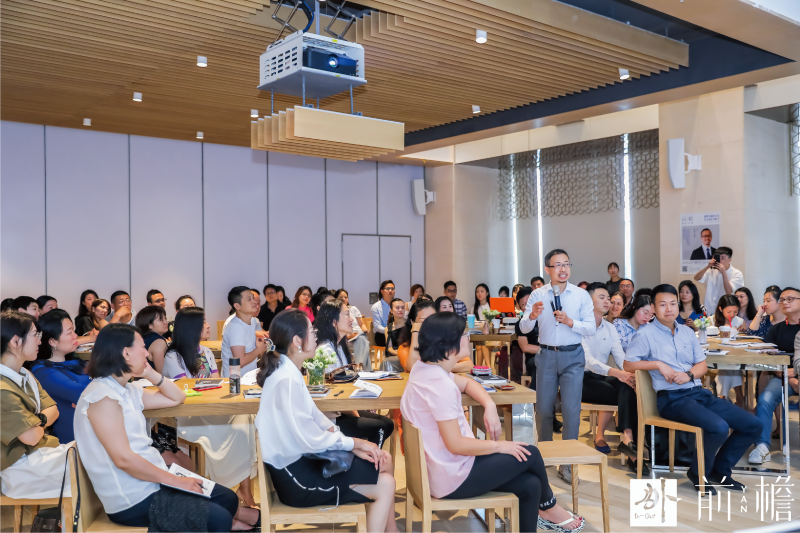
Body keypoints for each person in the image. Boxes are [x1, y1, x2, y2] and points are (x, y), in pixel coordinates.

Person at [401, 312, 585, 533]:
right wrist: (499, 446)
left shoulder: (425, 370)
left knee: (531, 485)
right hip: (452, 477)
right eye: (464, 334)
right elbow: (456, 444)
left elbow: (468, 384)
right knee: (531, 454)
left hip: (440, 470)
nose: (468, 338)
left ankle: (546, 509)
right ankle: (550, 507)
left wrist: (489, 405)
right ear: (449, 346)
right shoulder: (440, 386)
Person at [73, 323, 258, 530]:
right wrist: (175, 480)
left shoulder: (126, 390)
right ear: (126, 353)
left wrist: (151, 373)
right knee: (219, 518)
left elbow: (177, 397)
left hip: (152, 480)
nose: (147, 353)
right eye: (142, 347)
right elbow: (123, 459)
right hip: (132, 497)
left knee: (227, 499)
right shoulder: (102, 398)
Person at [255, 310, 398, 533]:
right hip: (298, 480)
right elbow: (311, 439)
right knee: (386, 483)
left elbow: (317, 418)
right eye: (312, 331)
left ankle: (391, 530)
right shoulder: (286, 379)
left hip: (304, 462)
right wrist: (356, 443)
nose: (316, 335)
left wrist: (353, 446)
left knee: (383, 459)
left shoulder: (288, 371)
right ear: (297, 341)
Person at [624, 284, 760, 495]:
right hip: (672, 399)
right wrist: (658, 364)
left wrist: (688, 375)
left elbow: (702, 365)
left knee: (753, 425)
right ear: (653, 308)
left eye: (672, 303)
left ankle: (720, 471)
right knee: (719, 427)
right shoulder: (645, 334)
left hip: (698, 393)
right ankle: (698, 473)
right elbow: (628, 364)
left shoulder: (687, 332)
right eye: (662, 304)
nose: (669, 308)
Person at [161, 307, 258, 507]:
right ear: (191, 328)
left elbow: (216, 382)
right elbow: (185, 388)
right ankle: (233, 488)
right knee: (242, 427)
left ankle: (244, 489)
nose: (208, 325)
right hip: (190, 413)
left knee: (247, 419)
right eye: (203, 322)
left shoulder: (206, 351)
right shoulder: (173, 356)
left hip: (210, 408)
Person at [518, 249, 595, 484]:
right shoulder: (537, 294)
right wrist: (531, 316)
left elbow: (591, 327)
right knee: (543, 410)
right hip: (547, 355)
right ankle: (543, 457)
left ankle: (568, 463)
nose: (563, 269)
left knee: (571, 410)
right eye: (557, 265)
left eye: (566, 264)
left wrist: (571, 322)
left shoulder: (581, 295)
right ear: (547, 269)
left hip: (573, 356)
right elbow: (523, 328)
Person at [0, 310, 72, 499]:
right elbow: (30, 437)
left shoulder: (25, 374)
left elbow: (54, 410)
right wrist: (41, 421)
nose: (40, 340)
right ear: (15, 341)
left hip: (43, 453)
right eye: (35, 334)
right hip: (21, 468)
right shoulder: (2, 388)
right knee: (94, 465)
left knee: (98, 454)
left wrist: (36, 421)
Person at [579, 283, 643, 473]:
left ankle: (628, 439)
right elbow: (588, 361)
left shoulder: (610, 327)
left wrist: (630, 374)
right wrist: (619, 373)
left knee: (629, 385)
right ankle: (630, 444)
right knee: (626, 392)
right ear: (588, 301)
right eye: (602, 297)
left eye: (608, 298)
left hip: (603, 376)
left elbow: (621, 358)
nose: (607, 301)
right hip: (582, 379)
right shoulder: (578, 326)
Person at [315, 300, 395, 446]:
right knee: (380, 427)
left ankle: (368, 456)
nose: (352, 319)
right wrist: (357, 413)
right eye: (347, 314)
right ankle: (369, 458)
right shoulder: (325, 351)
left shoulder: (339, 346)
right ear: (334, 322)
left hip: (343, 409)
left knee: (388, 424)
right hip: (332, 416)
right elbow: (336, 395)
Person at [30, 309, 91, 444]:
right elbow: (85, 394)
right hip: (74, 440)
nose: (75, 336)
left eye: (73, 330)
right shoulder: (43, 372)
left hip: (92, 427)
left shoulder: (75, 362)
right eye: (69, 332)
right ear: (52, 341)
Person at [221, 286, 268, 378]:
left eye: (253, 298)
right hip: (235, 382)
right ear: (237, 306)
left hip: (249, 378)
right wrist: (259, 349)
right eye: (249, 299)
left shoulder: (253, 321)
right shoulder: (235, 327)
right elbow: (240, 362)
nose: (254, 302)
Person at [765, 287, 800, 394]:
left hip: (794, 372)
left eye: (790, 299)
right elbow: (768, 358)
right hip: (783, 376)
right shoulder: (774, 329)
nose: (785, 302)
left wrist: (795, 372)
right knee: (766, 398)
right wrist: (787, 377)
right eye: (782, 300)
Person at [712, 294, 745, 405]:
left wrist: (742, 332)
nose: (732, 315)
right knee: (731, 366)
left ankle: (722, 398)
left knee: (729, 366)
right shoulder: (711, 321)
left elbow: (745, 341)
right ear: (720, 309)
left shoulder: (740, 322)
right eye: (729, 311)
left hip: (734, 356)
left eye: (735, 311)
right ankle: (740, 397)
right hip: (715, 356)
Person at [511, 288, 543, 396]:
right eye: (523, 305)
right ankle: (534, 397)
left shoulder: (545, 318)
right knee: (540, 362)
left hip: (550, 356)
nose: (527, 307)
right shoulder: (521, 324)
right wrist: (545, 350)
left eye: (529, 302)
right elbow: (525, 347)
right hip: (533, 359)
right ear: (519, 308)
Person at [693, 246, 744, 313]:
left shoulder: (736, 273)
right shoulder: (711, 270)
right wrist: (708, 266)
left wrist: (724, 273)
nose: (720, 260)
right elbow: (696, 278)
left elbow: (729, 292)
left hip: (725, 311)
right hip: (709, 309)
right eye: (717, 257)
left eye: (722, 258)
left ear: (729, 259)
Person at [334, 289, 371, 370]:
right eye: (341, 297)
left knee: (362, 339)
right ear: (336, 299)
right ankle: (363, 368)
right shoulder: (335, 312)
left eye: (345, 297)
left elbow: (361, 324)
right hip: (346, 337)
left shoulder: (353, 308)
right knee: (365, 342)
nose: (344, 299)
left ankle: (358, 365)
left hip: (358, 334)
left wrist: (365, 331)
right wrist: (349, 336)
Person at [135, 305, 169, 373]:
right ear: (149, 325)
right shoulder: (158, 342)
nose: (166, 322)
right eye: (161, 320)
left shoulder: (142, 339)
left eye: (165, 319)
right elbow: (162, 373)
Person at [371, 280, 396, 347]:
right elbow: (377, 327)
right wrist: (389, 331)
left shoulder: (397, 305)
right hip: (382, 334)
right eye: (387, 289)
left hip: (396, 332)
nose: (390, 290)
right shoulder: (376, 307)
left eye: (392, 289)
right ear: (382, 291)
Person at [472, 284, 492, 367]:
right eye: (477, 292)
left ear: (487, 293)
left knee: (482, 344)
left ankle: (487, 366)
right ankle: (480, 367)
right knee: (479, 345)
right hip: (479, 334)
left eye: (482, 291)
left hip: (491, 334)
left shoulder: (491, 306)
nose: (479, 294)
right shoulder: (474, 308)